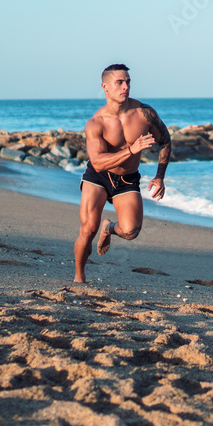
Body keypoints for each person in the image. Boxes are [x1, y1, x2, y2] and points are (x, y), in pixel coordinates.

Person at [74, 63, 171, 283]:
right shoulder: (95, 123)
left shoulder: (144, 113)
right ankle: (79, 276)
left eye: (128, 81)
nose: (125, 86)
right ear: (105, 87)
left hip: (127, 178)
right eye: (119, 82)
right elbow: (98, 163)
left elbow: (165, 140)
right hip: (98, 177)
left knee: (130, 231)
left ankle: (109, 227)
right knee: (88, 229)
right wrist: (131, 149)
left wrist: (159, 176)